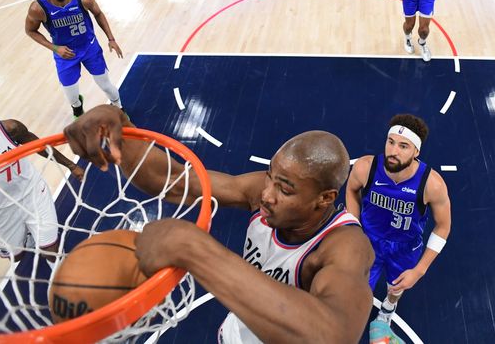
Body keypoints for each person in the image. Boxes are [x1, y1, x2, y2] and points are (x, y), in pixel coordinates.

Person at [63, 105, 375, 343]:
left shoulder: (346, 245)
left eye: (284, 189)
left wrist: (195, 249)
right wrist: (118, 127)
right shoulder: (262, 191)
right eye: (270, 177)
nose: (266, 194)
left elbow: (334, 334)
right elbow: (172, 180)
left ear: (325, 198)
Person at [345, 114, 451, 326]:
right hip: (368, 240)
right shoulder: (366, 167)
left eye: (403, 146)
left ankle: (388, 307)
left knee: (395, 288)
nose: (393, 151)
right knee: (358, 287)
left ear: (416, 151)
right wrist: (354, 227)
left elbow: (443, 226)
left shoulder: (432, 184)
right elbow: (351, 190)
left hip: (405, 247)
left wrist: (420, 270)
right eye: (391, 142)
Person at [0, 98, 83, 260]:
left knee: (50, 250)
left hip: (33, 192)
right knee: (16, 256)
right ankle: (27, 235)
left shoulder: (9, 128)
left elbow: (40, 146)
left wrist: (71, 166)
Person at [24, 0, 125, 119]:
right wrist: (55, 48)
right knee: (71, 95)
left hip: (90, 48)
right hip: (65, 54)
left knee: (105, 85)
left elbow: (98, 14)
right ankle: (77, 109)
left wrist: (111, 39)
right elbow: (30, 31)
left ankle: (119, 108)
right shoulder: (38, 8)